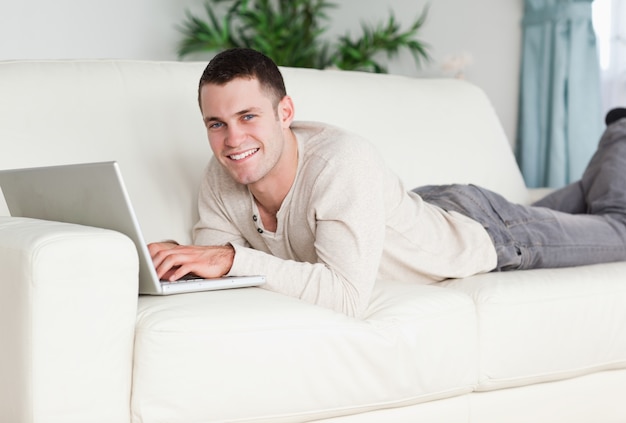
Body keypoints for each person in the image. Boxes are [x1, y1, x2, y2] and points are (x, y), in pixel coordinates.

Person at [149, 48, 626, 318]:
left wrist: (230, 258)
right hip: (417, 210)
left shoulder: (340, 161)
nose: (232, 140)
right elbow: (213, 268)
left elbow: (345, 296)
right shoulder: (221, 173)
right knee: (584, 203)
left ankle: (619, 129)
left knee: (617, 224)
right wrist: (177, 263)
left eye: (248, 116)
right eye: (216, 123)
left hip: (487, 232)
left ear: (285, 113)